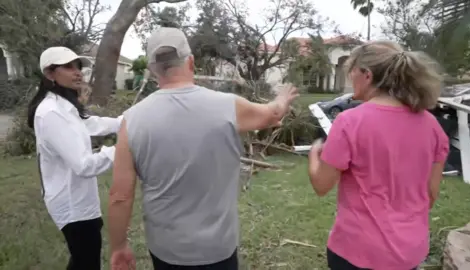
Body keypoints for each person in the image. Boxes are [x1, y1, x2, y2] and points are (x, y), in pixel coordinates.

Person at [107, 27, 299, 270]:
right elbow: (272, 114)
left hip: (167, 249)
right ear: (191, 61)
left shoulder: (131, 121)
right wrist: (281, 99)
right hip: (218, 249)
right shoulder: (229, 107)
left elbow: (120, 196)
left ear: (152, 70)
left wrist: (119, 246)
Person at [307, 41, 449, 270]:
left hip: (357, 252)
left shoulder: (350, 122)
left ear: (367, 75)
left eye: (351, 72)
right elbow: (430, 196)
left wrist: (315, 154)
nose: (350, 78)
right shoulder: (432, 126)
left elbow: (321, 185)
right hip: (409, 252)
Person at [27, 46, 123, 270]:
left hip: (78, 199)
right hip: (71, 204)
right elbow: (84, 165)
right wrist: (122, 150)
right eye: (69, 67)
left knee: (83, 259)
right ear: (50, 74)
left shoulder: (65, 106)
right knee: (86, 261)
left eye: (78, 66)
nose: (78, 72)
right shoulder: (51, 112)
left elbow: (91, 124)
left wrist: (126, 121)